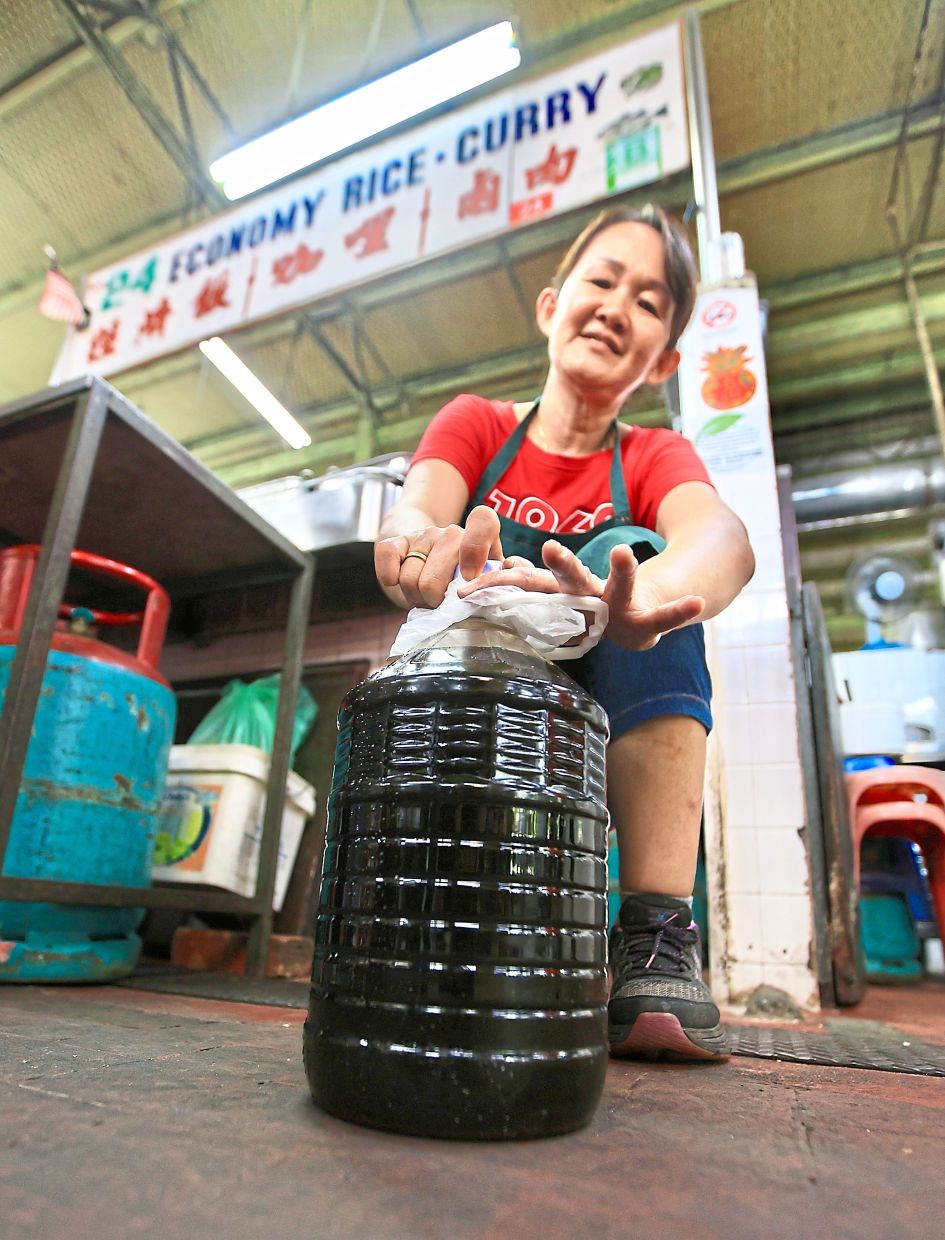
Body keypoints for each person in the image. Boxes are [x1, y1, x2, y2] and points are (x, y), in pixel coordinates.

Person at [374, 203, 755, 1060]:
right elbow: (419, 506)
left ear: (659, 359)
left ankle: (656, 934)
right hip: (478, 699)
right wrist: (417, 547)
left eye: (650, 302)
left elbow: (722, 542)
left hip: (600, 699)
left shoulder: (654, 454)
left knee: (641, 552)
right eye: (602, 280)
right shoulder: (474, 423)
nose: (618, 306)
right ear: (552, 307)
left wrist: (639, 595)